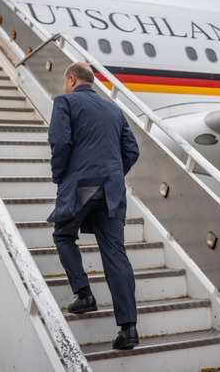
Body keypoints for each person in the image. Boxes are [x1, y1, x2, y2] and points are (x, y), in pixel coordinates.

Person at [47, 61, 140, 350]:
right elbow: (132, 151)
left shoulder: (65, 102)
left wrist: (60, 176)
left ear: (72, 80)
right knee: (114, 252)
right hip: (111, 188)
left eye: (65, 82)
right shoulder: (114, 110)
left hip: (82, 184)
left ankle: (84, 294)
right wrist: (111, 174)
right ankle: (129, 330)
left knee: (63, 235)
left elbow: (60, 142)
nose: (64, 87)